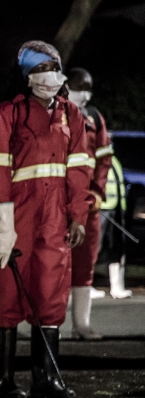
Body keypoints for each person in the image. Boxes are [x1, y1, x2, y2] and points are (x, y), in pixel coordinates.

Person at [0, 40, 92, 398]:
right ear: (25, 76)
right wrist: (2, 227)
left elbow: (79, 172)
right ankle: (4, 381)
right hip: (16, 216)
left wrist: (78, 217)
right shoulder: (5, 115)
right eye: (39, 70)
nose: (48, 76)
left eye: (52, 68)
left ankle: (47, 379)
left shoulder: (71, 117)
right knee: (7, 291)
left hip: (55, 218)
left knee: (50, 291)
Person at [65, 68, 112, 338]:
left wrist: (96, 192)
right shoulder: (55, 112)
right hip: (60, 203)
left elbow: (103, 159)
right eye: (80, 86)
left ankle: (81, 325)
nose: (85, 93)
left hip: (88, 204)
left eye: (89, 88)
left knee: (84, 265)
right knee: (55, 265)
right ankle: (51, 326)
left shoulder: (94, 117)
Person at [100, 155, 132, 298]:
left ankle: (117, 286)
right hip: (102, 208)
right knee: (95, 247)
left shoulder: (113, 159)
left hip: (117, 209)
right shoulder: (98, 157)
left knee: (117, 247)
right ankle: (84, 286)